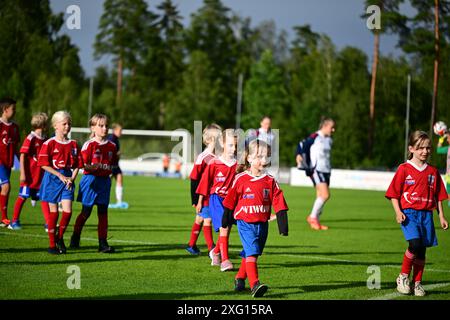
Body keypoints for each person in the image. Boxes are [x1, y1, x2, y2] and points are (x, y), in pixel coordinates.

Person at [222, 139, 288, 298]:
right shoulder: (240, 179)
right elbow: (231, 199)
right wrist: (226, 217)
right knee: (251, 253)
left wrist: (282, 224)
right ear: (249, 158)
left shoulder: (270, 180)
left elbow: (278, 201)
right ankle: (255, 285)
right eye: (259, 156)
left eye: (266, 157)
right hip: (245, 223)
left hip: (262, 224)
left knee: (252, 253)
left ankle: (239, 279)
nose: (263, 160)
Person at [385, 130, 448, 296]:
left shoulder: (433, 172)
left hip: (427, 215)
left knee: (422, 250)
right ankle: (403, 277)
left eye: (428, 148)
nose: (425, 151)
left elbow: (439, 196)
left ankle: (417, 283)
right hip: (409, 214)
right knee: (415, 244)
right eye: (420, 148)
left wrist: (441, 215)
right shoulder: (404, 169)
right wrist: (398, 212)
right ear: (411, 148)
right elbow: (393, 194)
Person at [70, 114, 117, 253]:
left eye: (106, 125)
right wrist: (95, 167)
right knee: (86, 212)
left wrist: (110, 172)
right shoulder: (88, 144)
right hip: (90, 180)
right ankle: (75, 236)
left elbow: (113, 164)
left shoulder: (112, 146)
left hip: (104, 182)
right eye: (101, 126)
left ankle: (103, 244)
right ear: (93, 128)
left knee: (103, 212)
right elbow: (83, 165)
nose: (104, 128)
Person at [38, 111, 81, 254]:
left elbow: (77, 165)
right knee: (54, 213)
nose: (67, 126)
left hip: (67, 180)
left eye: (69, 124)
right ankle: (52, 245)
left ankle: (60, 238)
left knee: (68, 212)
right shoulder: (49, 143)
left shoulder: (74, 144)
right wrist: (59, 175)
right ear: (55, 126)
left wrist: (72, 179)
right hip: (52, 179)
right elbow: (43, 163)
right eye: (64, 124)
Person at [196, 129, 237, 272]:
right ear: (222, 144)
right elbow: (204, 183)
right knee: (224, 227)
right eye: (231, 145)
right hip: (216, 199)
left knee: (227, 229)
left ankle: (215, 252)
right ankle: (225, 260)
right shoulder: (214, 163)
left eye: (235, 146)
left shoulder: (237, 165)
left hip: (230, 201)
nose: (234, 148)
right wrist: (200, 201)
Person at [9, 113, 51, 231]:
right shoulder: (31, 138)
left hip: (40, 176)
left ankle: (48, 223)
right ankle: (14, 221)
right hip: (29, 176)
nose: (48, 125)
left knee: (44, 199)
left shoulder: (46, 140)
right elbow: (22, 155)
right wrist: (22, 173)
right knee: (22, 197)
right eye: (46, 123)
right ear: (42, 125)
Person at [185, 124, 222, 255]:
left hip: (213, 194)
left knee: (199, 219)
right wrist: (195, 200)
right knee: (208, 220)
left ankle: (191, 245)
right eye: (219, 138)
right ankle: (212, 248)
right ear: (211, 139)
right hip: (204, 195)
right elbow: (194, 179)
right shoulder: (203, 157)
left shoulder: (218, 156)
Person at [296, 117, 335, 231]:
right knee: (325, 195)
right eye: (331, 127)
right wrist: (299, 155)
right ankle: (312, 217)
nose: (333, 130)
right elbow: (302, 145)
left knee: (320, 195)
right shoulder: (315, 137)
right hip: (316, 169)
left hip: (326, 170)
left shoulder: (329, 139)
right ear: (325, 126)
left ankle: (315, 221)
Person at [0, 98, 20, 228]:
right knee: (6, 187)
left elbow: (16, 147)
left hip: (8, 163)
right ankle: (4, 218)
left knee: (3, 188)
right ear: (5, 110)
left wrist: (21, 163)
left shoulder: (14, 127)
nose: (15, 111)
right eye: (13, 109)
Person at [108, 123, 128, 209]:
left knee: (119, 178)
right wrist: (117, 154)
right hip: (111, 165)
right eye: (120, 130)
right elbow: (109, 152)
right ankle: (103, 201)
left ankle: (119, 201)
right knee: (107, 183)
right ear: (115, 130)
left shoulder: (116, 139)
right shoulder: (112, 138)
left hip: (116, 165)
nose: (121, 132)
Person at [437, 130, 450, 207]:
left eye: (448, 138)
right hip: (449, 176)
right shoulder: (448, 148)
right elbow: (438, 150)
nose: (447, 140)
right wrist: (441, 140)